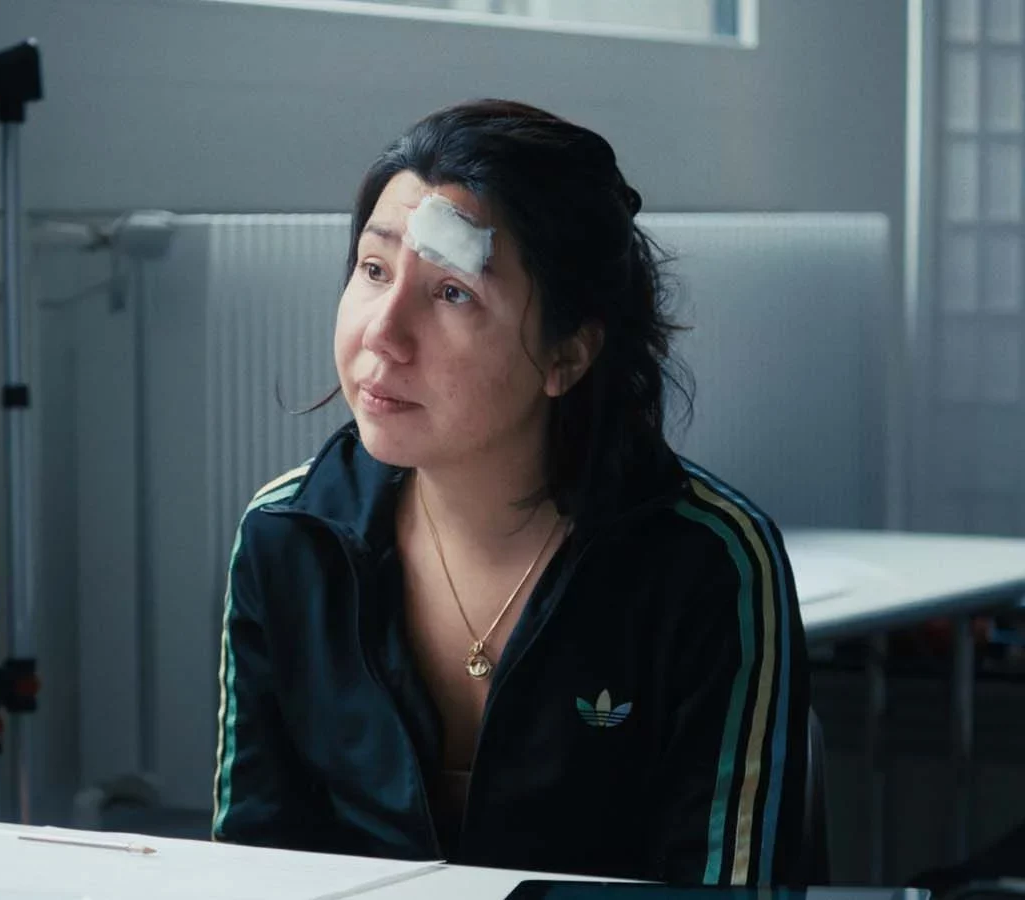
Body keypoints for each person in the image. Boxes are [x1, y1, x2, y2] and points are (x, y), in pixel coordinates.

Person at [211, 99, 811, 886]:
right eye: (374, 269)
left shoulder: (710, 564)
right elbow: (251, 868)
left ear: (566, 355)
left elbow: (726, 890)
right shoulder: (289, 536)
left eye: (452, 292)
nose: (382, 333)